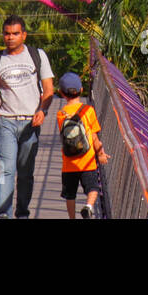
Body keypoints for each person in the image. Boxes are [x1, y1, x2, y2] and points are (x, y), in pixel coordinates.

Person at [0, 15, 54, 219]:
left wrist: (43, 110)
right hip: (5, 122)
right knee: (5, 170)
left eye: (15, 33)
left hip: (31, 122)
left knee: (25, 174)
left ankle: (22, 212)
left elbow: (49, 89)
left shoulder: (37, 55)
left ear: (24, 35)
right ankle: (3, 213)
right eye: (7, 33)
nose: (10, 37)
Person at [55, 71, 109, 219]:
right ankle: (89, 206)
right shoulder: (88, 111)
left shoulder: (61, 114)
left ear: (61, 93)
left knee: (70, 194)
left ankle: (72, 217)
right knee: (93, 188)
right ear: (81, 90)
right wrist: (101, 154)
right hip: (88, 162)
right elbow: (94, 137)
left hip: (69, 163)